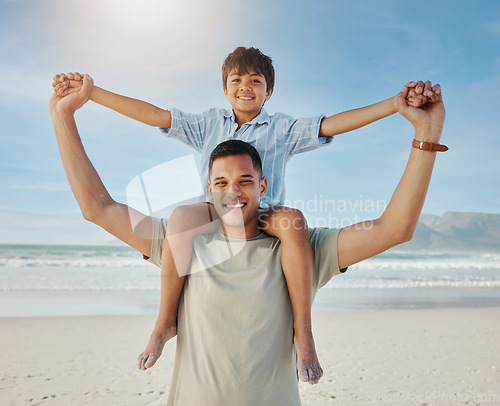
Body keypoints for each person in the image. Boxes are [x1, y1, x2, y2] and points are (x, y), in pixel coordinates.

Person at [49, 73, 446, 404]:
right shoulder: (184, 243)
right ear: (208, 188)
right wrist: (62, 116)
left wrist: (427, 135)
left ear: (263, 185)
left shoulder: (299, 250)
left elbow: (394, 229)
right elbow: (97, 207)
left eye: (244, 181)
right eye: (221, 182)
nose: (233, 192)